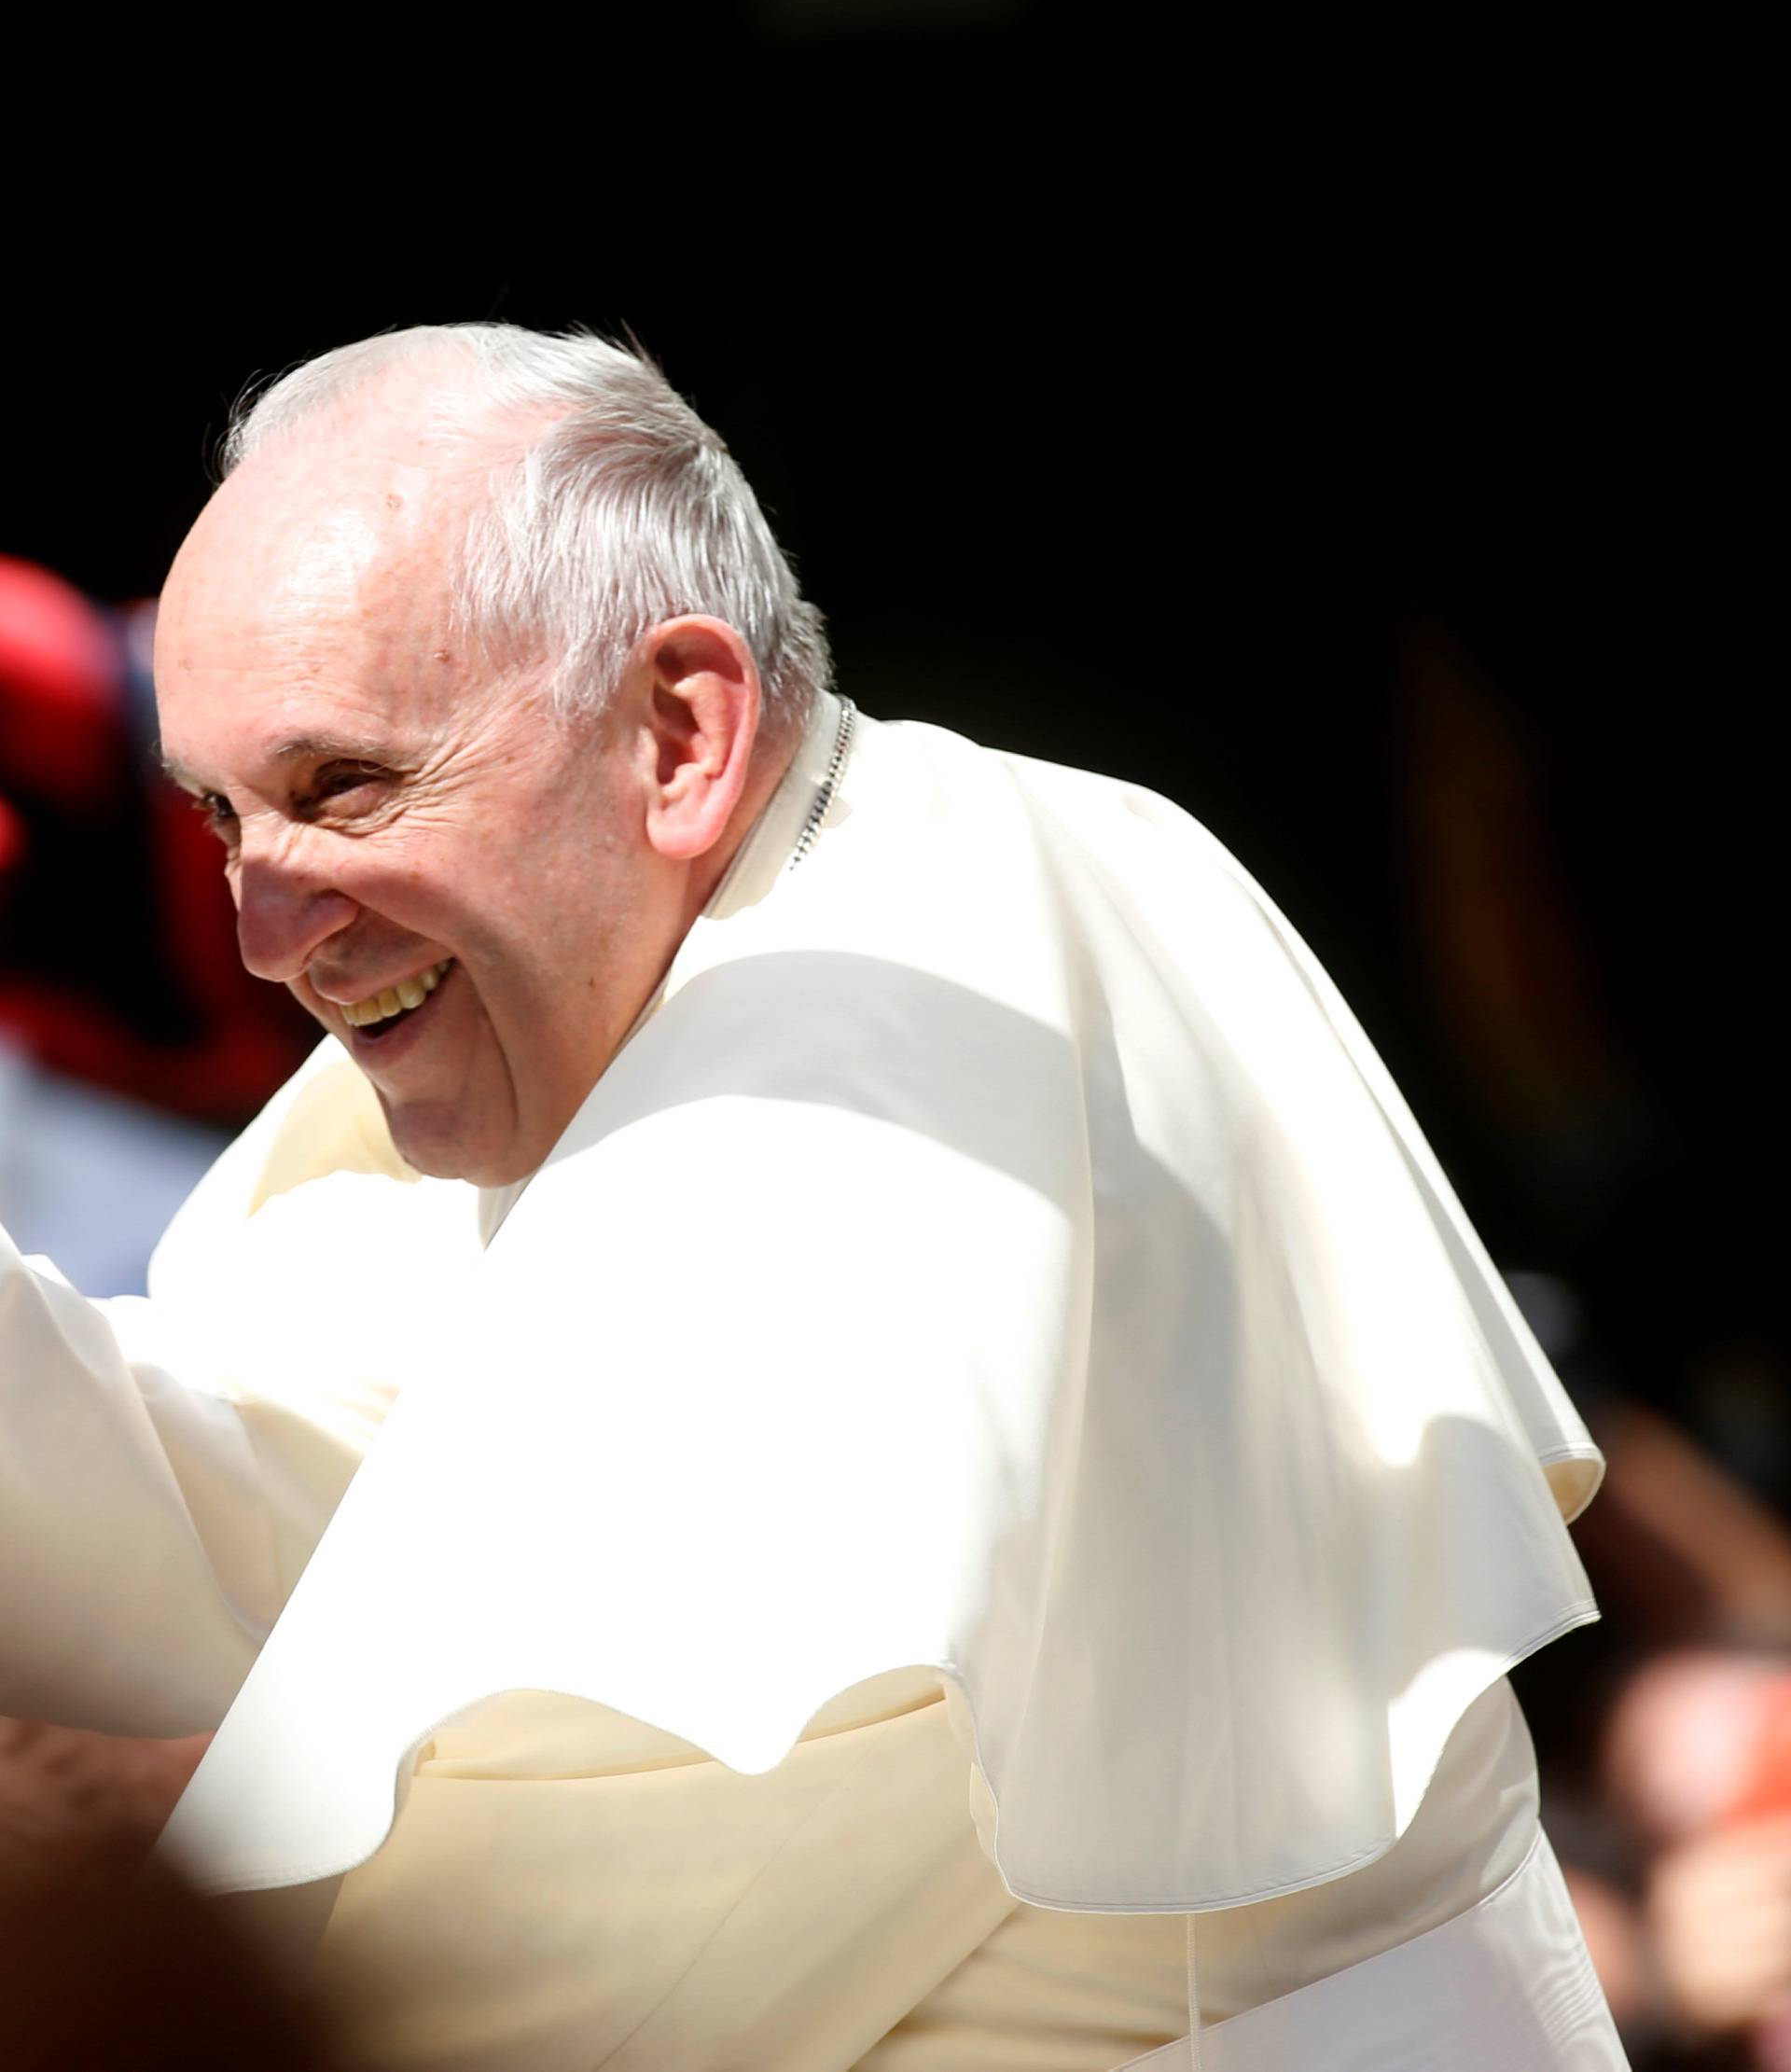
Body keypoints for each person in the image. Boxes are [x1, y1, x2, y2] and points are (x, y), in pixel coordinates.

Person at [0, 324, 1628, 2068]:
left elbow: (494, 1972)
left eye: (343, 789)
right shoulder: (686, 956)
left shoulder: (897, 1064)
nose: (264, 931)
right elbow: (271, 1485)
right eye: (224, 820)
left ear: (683, 733)